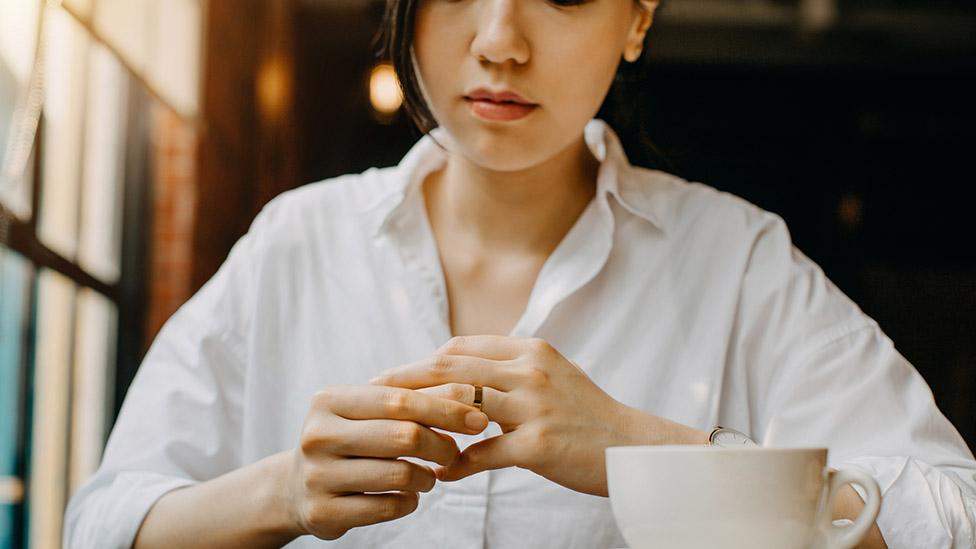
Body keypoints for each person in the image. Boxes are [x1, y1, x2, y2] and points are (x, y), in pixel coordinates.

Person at [65, 0, 976, 547]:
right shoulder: (295, 244)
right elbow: (103, 523)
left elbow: (951, 511)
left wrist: (641, 450)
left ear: (639, 17)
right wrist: (284, 494)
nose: (501, 41)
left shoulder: (737, 262)